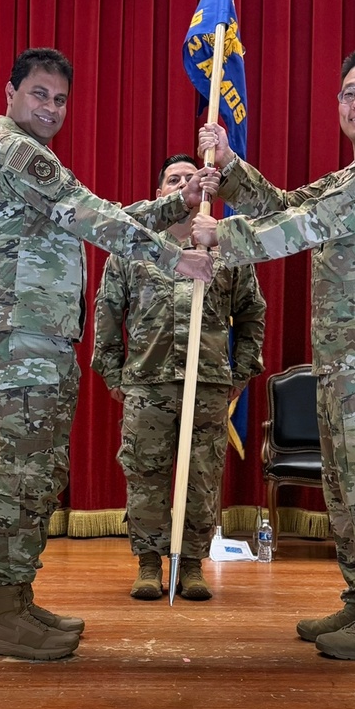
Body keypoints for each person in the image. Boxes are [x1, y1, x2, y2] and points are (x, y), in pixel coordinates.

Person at [0, 48, 213, 662]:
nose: (49, 107)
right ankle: (4, 614)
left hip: (40, 334)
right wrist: (173, 254)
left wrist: (172, 207)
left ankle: (19, 601)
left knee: (40, 470)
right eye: (38, 94)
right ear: (10, 93)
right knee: (25, 473)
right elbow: (93, 215)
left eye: (59, 98)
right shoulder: (15, 153)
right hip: (25, 335)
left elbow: (96, 217)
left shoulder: (36, 161)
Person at [191, 47, 355, 661]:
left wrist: (226, 235)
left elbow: (313, 224)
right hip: (345, 358)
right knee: (346, 488)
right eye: (348, 92)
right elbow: (288, 204)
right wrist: (232, 164)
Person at [91, 154, 266, 601]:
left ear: (207, 188)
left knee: (202, 477)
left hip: (206, 384)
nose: (184, 183)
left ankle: (191, 565)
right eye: (174, 178)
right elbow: (108, 313)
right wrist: (114, 374)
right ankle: (148, 563)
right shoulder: (133, 248)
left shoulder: (227, 248)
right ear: (159, 193)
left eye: (192, 177)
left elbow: (252, 315)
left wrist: (241, 373)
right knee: (146, 475)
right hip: (148, 383)